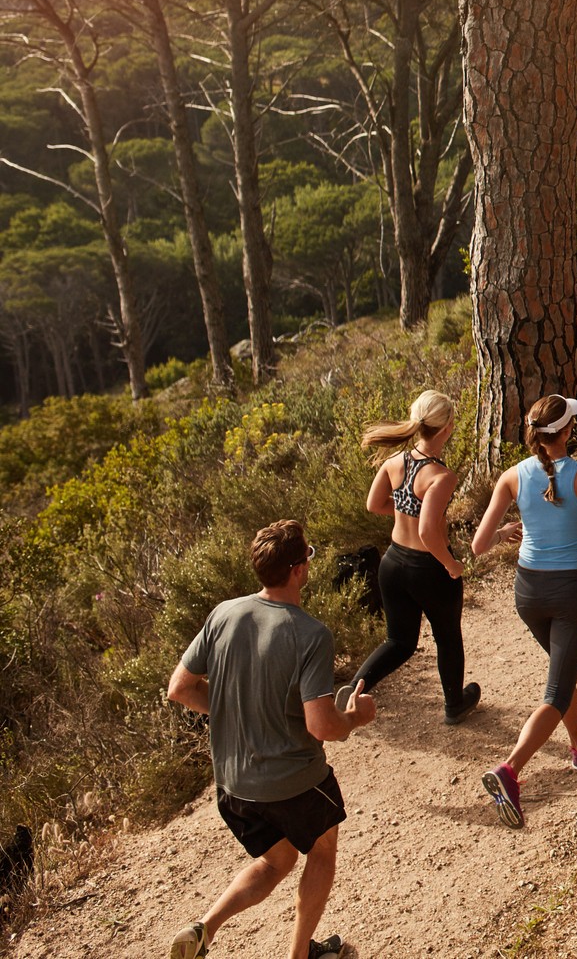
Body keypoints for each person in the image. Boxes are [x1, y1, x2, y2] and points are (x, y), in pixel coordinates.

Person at [165, 520, 375, 959]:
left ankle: (205, 927)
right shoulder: (310, 634)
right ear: (299, 569)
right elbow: (321, 726)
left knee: (276, 861)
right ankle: (300, 955)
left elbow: (180, 688)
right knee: (321, 852)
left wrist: (234, 711)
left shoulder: (223, 613)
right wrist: (355, 718)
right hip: (294, 782)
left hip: (234, 785)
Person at [470, 394, 577, 829]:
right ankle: (510, 770)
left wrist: (503, 534)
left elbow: (480, 545)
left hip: (528, 592)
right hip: (572, 591)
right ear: (569, 431)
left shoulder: (512, 477)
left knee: (562, 670)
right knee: (555, 693)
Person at [349, 390, 480, 724]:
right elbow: (427, 532)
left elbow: (373, 504)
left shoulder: (396, 462)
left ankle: (352, 691)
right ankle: (454, 704)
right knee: (447, 635)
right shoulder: (441, 476)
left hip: (393, 563)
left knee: (399, 641)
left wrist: (403, 512)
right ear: (448, 426)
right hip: (428, 568)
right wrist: (450, 563)